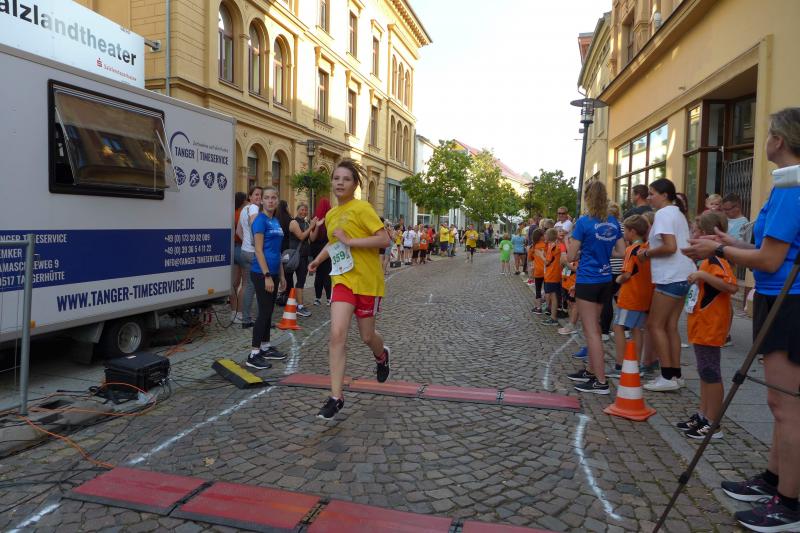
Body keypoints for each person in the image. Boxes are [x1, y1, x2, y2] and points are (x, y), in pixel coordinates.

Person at [682, 108, 800, 531]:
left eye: (767, 134)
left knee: (787, 407)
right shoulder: (785, 185)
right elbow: (767, 248)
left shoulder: (792, 188)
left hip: (788, 302)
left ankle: (790, 504)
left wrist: (717, 251)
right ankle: (773, 480)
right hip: (777, 297)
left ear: (779, 141)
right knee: (778, 403)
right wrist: (728, 242)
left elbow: (769, 260)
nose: (764, 141)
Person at [308, 160, 392, 420]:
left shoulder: (363, 208)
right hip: (343, 280)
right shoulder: (332, 214)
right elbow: (335, 244)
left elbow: (384, 239)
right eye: (336, 178)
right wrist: (318, 260)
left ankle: (382, 355)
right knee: (336, 334)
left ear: (355, 184)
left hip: (367, 282)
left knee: (367, 336)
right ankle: (336, 397)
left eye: (346, 179)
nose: (340, 183)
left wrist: (351, 241)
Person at [677, 211, 738, 440]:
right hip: (701, 325)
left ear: (705, 234)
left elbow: (730, 286)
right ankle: (703, 414)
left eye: (695, 231)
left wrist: (702, 275)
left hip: (711, 326)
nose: (692, 235)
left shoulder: (716, 260)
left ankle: (714, 423)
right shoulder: (705, 261)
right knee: (704, 372)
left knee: (711, 373)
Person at [566, 181, 625, 395]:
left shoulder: (584, 222)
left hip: (588, 279)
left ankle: (600, 382)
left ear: (588, 198)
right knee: (596, 329)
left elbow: (570, 256)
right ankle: (591, 371)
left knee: (591, 332)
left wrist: (578, 249)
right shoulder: (613, 222)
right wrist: (604, 252)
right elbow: (622, 252)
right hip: (605, 278)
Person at [639, 178, 697, 392]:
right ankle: (675, 374)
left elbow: (670, 247)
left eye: (652, 193)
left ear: (664, 195)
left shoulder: (663, 214)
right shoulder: (678, 213)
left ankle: (666, 376)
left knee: (655, 325)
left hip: (670, 276)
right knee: (670, 326)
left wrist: (646, 253)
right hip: (684, 274)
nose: (649, 198)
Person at [606, 214, 653, 379]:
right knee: (636, 329)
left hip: (630, 296)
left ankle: (620, 364)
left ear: (632, 231)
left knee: (618, 326)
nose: (623, 233)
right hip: (644, 295)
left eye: (625, 230)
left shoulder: (631, 249)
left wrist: (617, 280)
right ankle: (636, 365)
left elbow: (626, 274)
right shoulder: (646, 248)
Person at [246, 186, 287, 369]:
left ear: (277, 200)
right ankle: (253, 354)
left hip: (275, 272)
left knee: (269, 311)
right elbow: (258, 250)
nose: (270, 201)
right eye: (267, 198)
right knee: (264, 312)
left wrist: (282, 275)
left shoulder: (275, 221)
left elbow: (277, 251)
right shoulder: (260, 221)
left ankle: (265, 346)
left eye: (274, 198)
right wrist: (267, 275)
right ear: (261, 201)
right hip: (261, 273)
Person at [285, 203, 318, 317]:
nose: (304, 212)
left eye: (305, 210)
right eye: (302, 210)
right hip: (295, 256)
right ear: (297, 210)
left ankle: (298, 305)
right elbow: (301, 236)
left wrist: (317, 226)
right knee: (291, 280)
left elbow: (312, 238)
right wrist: (311, 226)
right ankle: (297, 305)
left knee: (301, 280)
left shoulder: (307, 223)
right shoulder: (293, 222)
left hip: (304, 256)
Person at [237, 186, 262, 328]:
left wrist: (246, 242)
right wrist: (255, 243)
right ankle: (259, 319)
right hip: (253, 252)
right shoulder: (254, 208)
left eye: (260, 195)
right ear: (250, 196)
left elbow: (238, 231)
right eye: (256, 194)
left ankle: (245, 318)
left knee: (247, 285)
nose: (259, 197)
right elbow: (254, 226)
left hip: (245, 251)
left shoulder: (243, 210)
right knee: (259, 286)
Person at [601, 203, 625, 340]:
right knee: (621, 299)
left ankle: (604, 331)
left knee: (607, 300)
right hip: (622, 267)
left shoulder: (606, 227)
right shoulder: (623, 226)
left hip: (609, 266)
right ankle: (625, 328)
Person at [310, 198, 333, 305]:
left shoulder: (315, 218)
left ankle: (317, 298)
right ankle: (329, 298)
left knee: (319, 274)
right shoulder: (331, 218)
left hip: (316, 249)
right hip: (327, 248)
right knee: (327, 273)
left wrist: (317, 226)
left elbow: (312, 238)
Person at [232, 191, 247, 323]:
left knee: (234, 283)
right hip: (242, 248)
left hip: (233, 248)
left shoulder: (232, 212)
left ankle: (233, 312)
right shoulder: (242, 214)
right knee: (246, 283)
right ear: (243, 201)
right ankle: (241, 313)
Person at [542, 228, 561, 326]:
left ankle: (553, 318)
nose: (544, 236)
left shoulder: (552, 247)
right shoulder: (554, 246)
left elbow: (547, 262)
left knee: (553, 297)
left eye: (546, 234)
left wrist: (540, 255)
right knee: (553, 296)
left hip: (551, 275)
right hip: (554, 274)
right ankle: (552, 316)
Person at [529, 228, 546, 314]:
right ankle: (549, 307)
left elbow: (530, 258)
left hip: (538, 271)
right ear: (541, 237)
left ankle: (538, 308)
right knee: (547, 289)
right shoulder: (547, 245)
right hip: (547, 271)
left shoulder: (533, 246)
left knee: (538, 289)